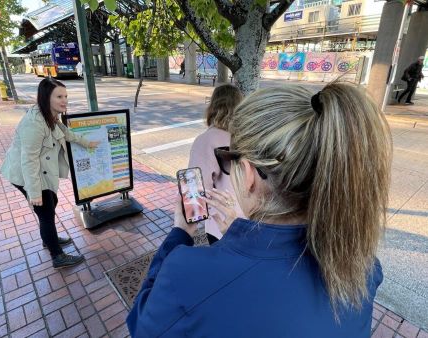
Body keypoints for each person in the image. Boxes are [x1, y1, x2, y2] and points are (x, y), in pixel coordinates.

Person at [126, 82, 392, 337]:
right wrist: (242, 235)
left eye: (229, 160)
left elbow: (142, 325)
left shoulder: (186, 274)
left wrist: (179, 232)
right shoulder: (363, 267)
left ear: (248, 173)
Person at [0, 78, 99, 269]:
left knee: (50, 205)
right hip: (26, 174)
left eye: (66, 96)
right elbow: (28, 160)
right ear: (46, 98)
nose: (64, 101)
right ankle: (57, 255)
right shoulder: (34, 123)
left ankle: (49, 238)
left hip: (38, 171)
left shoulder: (50, 115)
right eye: (59, 96)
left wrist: (87, 143)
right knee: (45, 211)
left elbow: (66, 133)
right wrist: (34, 192)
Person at [188, 84, 243, 244]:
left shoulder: (206, 140)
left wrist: (187, 225)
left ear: (213, 107)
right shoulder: (247, 136)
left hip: (221, 221)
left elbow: (196, 185)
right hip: (250, 217)